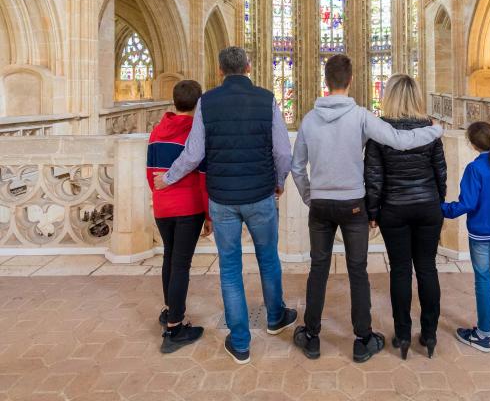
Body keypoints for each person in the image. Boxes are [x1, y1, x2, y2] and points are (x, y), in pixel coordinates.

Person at [291, 54, 444, 363]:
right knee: (357, 270)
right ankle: (363, 339)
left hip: (321, 205)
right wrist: (435, 130)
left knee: (317, 268)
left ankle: (311, 336)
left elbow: (296, 167)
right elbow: (400, 141)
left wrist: (310, 196)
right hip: (354, 206)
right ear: (350, 81)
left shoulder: (309, 119)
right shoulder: (361, 116)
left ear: (326, 81)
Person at [154, 46, 297, 365]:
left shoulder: (207, 102)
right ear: (248, 66)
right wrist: (279, 181)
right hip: (261, 195)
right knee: (268, 257)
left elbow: (193, 154)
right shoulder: (266, 99)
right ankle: (276, 317)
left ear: (220, 71)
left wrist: (169, 177)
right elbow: (283, 153)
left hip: (222, 200)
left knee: (230, 268)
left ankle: (241, 341)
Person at [364, 73, 446, 360]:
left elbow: (373, 176)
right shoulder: (431, 130)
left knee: (400, 270)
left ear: (390, 97)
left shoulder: (380, 131)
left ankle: (401, 335)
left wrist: (372, 211)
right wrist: (438, 203)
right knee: (427, 268)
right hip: (427, 207)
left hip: (393, 208)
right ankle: (430, 334)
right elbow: (440, 172)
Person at [441, 121, 490, 353]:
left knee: (483, 281)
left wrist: (441, 208)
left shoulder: (475, 169)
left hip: (481, 234)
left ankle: (483, 335)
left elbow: (467, 204)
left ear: (472, 144)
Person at [146, 80, 211, 354]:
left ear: (174, 101)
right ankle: (175, 327)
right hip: (188, 207)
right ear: (198, 104)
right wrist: (209, 215)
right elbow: (204, 177)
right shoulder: (195, 134)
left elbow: (150, 173)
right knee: (181, 265)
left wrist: (161, 194)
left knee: (170, 258)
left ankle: (169, 309)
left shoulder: (157, 130)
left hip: (163, 207)